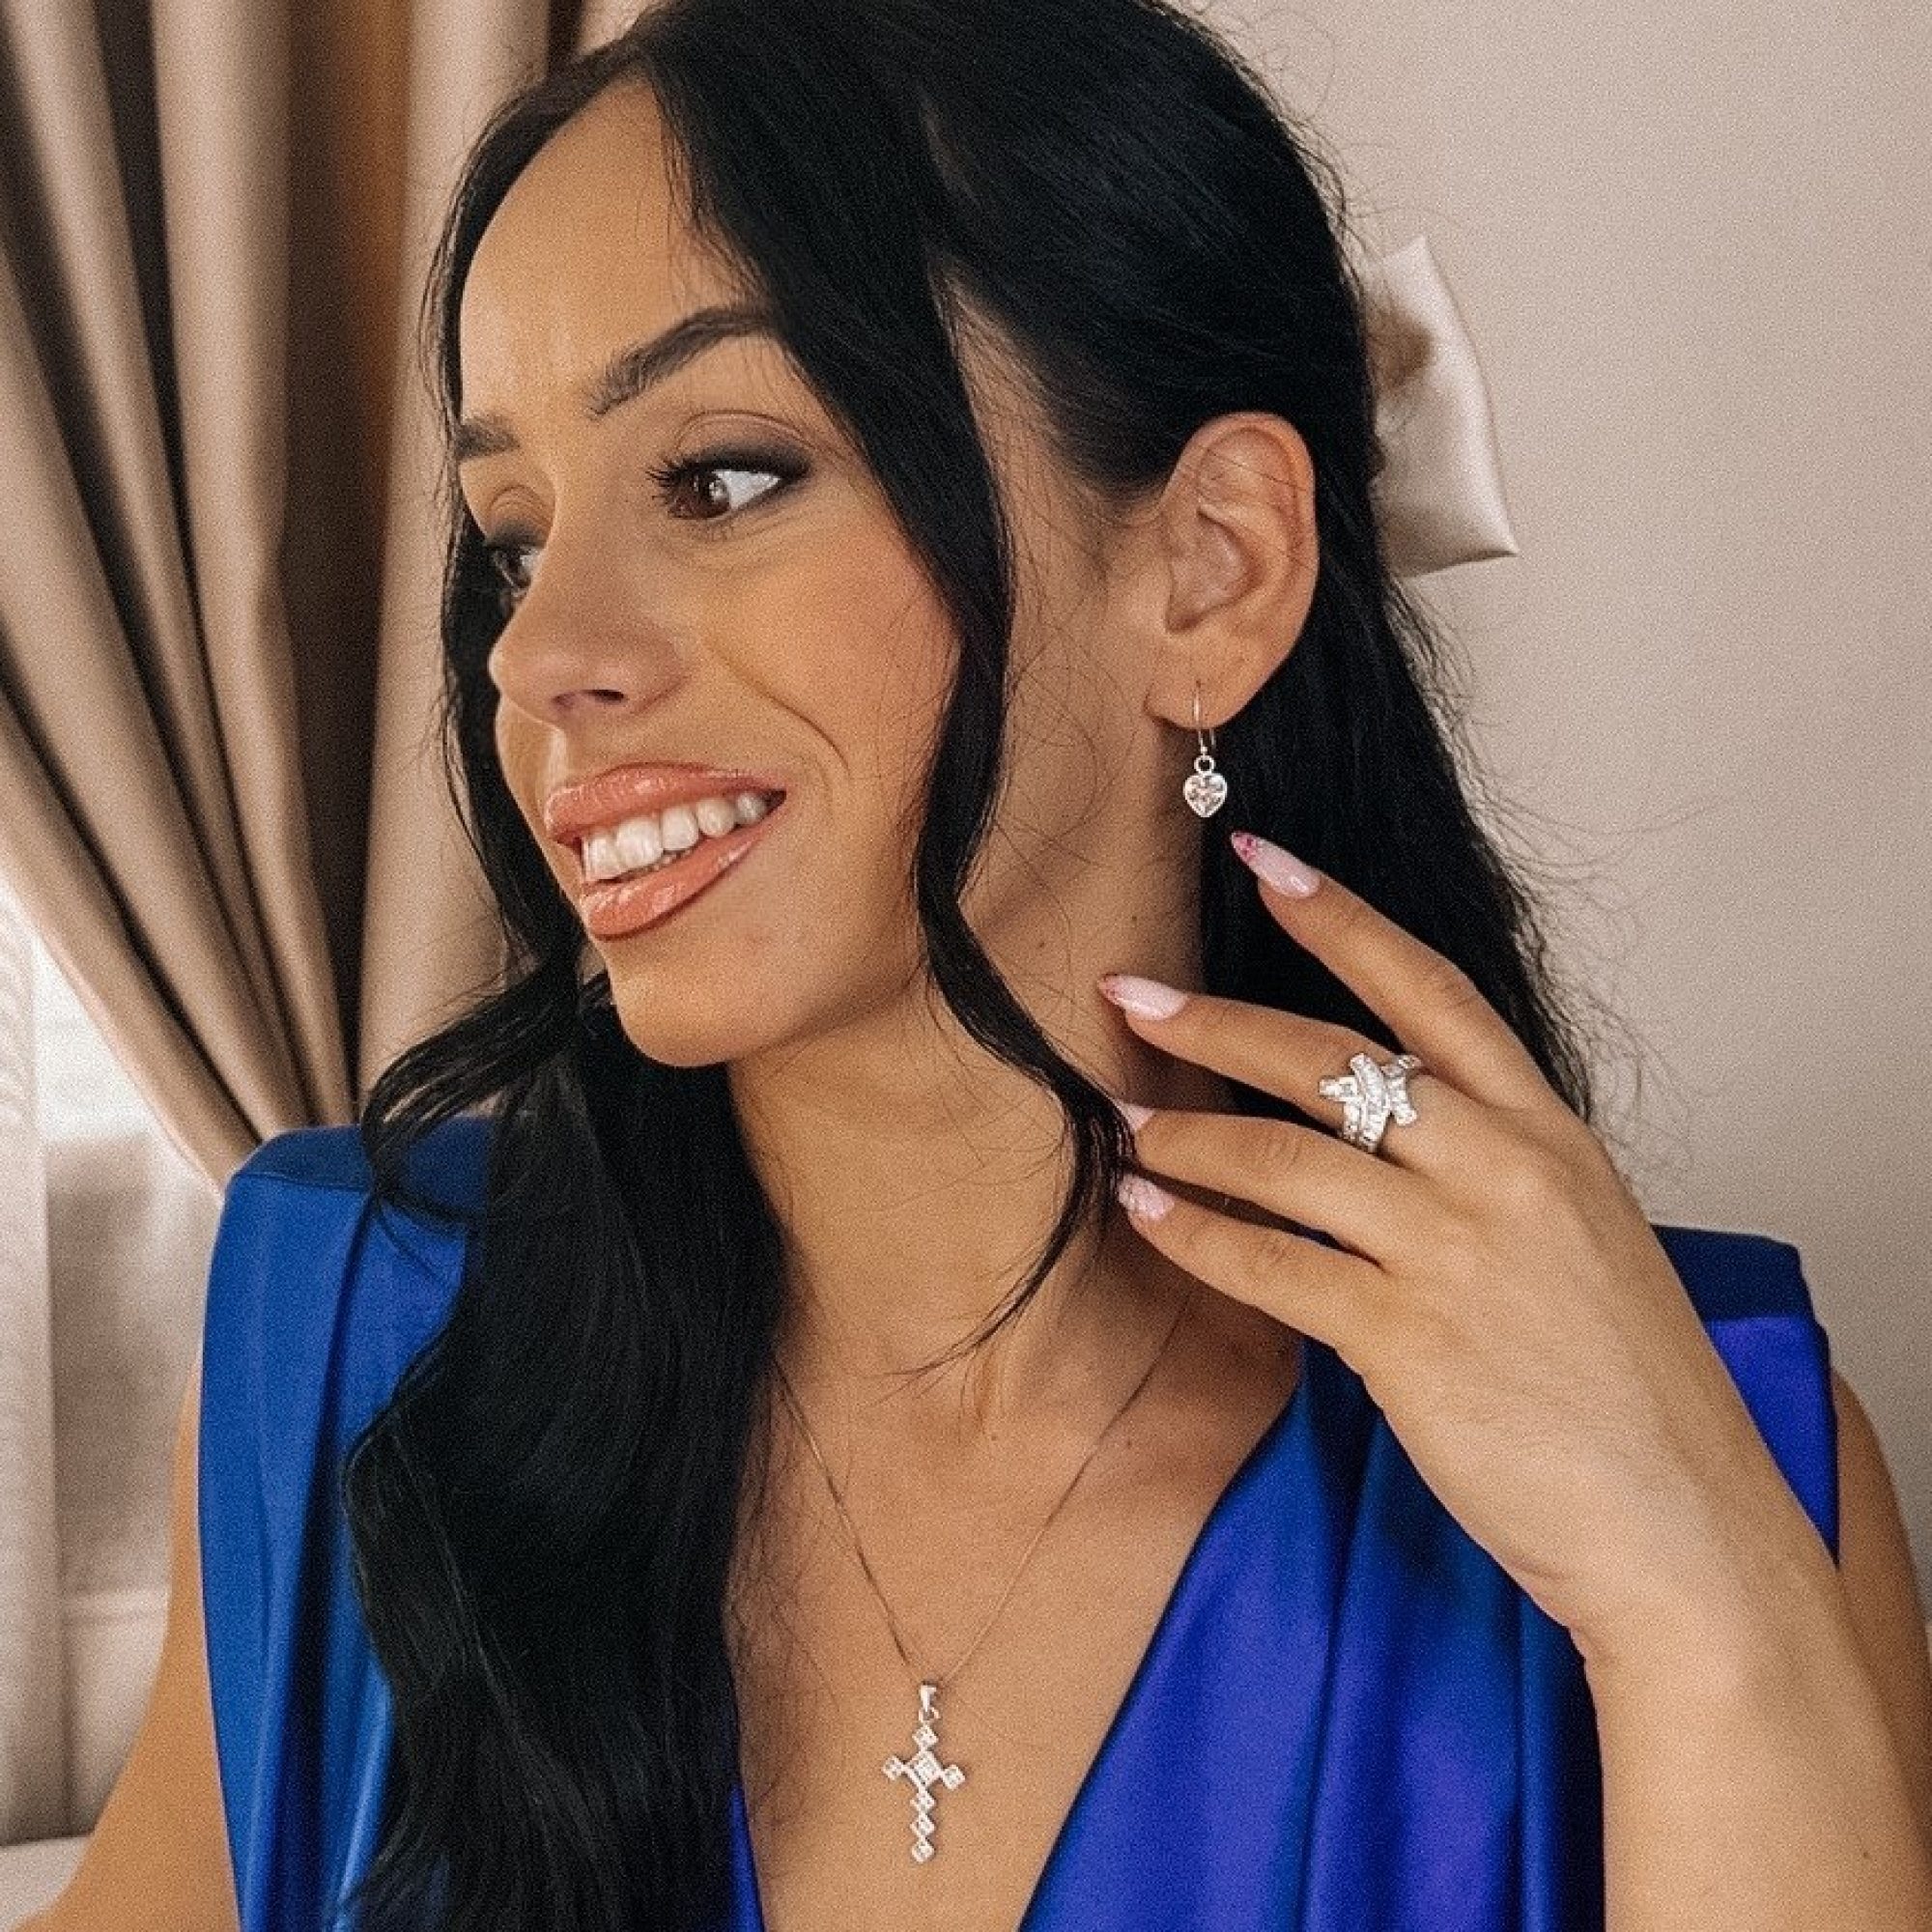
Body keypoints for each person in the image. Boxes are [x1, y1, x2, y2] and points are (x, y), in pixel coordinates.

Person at [34, 3, 1929, 1931]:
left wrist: (1700, 1604)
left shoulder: (1706, 1452)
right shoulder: (355, 1338)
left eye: (722, 477)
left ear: (1210, 567)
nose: (537, 654)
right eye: (513, 538)